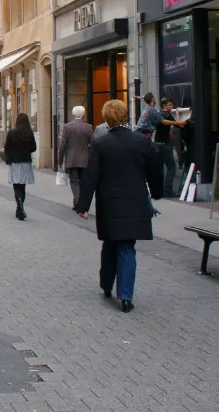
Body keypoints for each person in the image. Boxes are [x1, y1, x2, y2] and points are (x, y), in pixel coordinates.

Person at [77, 100, 163, 313]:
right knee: (127, 247)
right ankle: (125, 296)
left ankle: (106, 285)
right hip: (135, 202)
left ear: (107, 118)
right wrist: (157, 193)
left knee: (110, 243)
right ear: (125, 116)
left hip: (109, 203)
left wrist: (83, 205)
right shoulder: (142, 142)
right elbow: (155, 170)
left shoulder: (100, 143)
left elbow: (91, 176)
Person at [58, 105, 94, 212]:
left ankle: (77, 202)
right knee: (83, 181)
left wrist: (60, 161)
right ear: (83, 114)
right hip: (85, 159)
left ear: (73, 114)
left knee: (74, 181)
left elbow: (63, 145)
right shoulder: (88, 127)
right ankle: (79, 203)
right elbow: (93, 144)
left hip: (72, 159)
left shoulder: (67, 127)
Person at [4, 113, 37, 220]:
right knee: (23, 187)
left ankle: (19, 207)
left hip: (14, 162)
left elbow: (7, 148)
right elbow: (34, 148)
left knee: (16, 186)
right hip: (25, 162)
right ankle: (20, 207)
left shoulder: (12, 133)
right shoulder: (29, 133)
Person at [154, 97, 185, 197]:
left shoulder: (158, 114)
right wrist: (178, 115)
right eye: (170, 105)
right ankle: (167, 190)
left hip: (157, 144)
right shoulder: (167, 115)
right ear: (164, 106)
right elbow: (179, 125)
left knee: (160, 168)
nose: (171, 107)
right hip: (165, 145)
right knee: (171, 167)